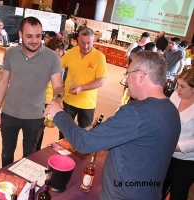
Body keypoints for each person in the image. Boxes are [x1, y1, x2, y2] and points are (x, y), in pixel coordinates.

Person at [45, 51, 181, 200]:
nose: (127, 81)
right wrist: (102, 131)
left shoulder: (136, 112)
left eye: (128, 74)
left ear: (141, 76)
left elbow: (84, 144)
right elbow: (142, 144)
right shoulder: (171, 111)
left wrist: (58, 114)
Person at [0, 17, 64, 167]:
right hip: (10, 114)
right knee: (6, 154)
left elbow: (58, 86)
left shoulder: (52, 57)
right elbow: (3, 82)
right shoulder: (11, 53)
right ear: (20, 34)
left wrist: (57, 98)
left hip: (35, 117)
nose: (34, 41)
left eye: (38, 36)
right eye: (29, 36)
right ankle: (5, 183)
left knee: (30, 157)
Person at [59, 27, 107, 139]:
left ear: (93, 42)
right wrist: (59, 83)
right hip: (69, 100)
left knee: (84, 136)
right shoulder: (71, 53)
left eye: (89, 43)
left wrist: (81, 88)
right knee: (64, 132)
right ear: (77, 41)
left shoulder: (99, 57)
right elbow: (57, 67)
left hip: (87, 104)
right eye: (82, 42)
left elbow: (101, 81)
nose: (85, 46)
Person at [162, 68, 194, 200]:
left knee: (178, 194)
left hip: (186, 161)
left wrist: (177, 147)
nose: (177, 90)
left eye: (182, 86)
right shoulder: (175, 96)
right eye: (177, 85)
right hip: (165, 153)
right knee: (158, 189)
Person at [36, 38, 66, 151]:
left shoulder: (59, 67)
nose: (58, 58)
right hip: (41, 102)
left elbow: (59, 86)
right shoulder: (41, 64)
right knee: (36, 133)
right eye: (56, 54)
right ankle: (33, 154)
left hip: (51, 102)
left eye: (60, 55)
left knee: (41, 130)